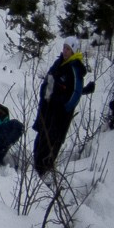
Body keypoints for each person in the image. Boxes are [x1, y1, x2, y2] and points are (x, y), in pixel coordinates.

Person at [33, 38, 91, 174]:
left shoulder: (75, 68)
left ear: (73, 51)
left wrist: (62, 106)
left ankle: (43, 173)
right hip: (47, 110)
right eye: (64, 48)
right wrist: (44, 94)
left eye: (68, 49)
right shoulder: (58, 63)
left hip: (59, 117)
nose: (65, 51)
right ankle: (35, 170)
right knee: (40, 140)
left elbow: (75, 94)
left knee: (51, 143)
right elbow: (48, 80)